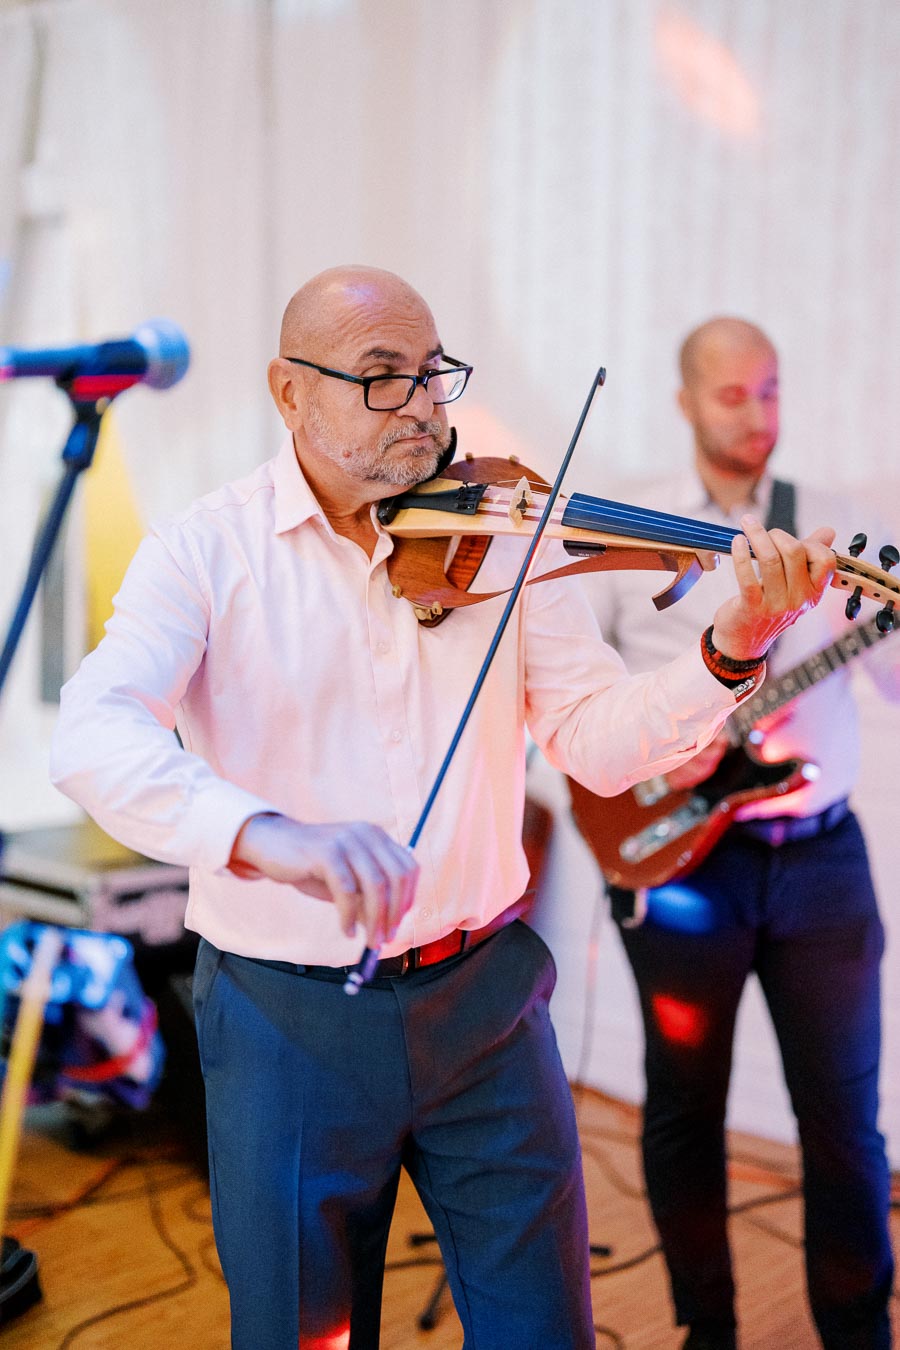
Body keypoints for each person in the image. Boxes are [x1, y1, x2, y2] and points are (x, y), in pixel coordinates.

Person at [49, 272, 836, 1350]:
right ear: (291, 393)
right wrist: (262, 834)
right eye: (381, 380)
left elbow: (599, 744)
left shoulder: (506, 529)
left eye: (432, 373)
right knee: (300, 1333)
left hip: (489, 1008)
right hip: (289, 1022)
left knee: (543, 1330)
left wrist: (731, 647)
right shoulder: (206, 551)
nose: (424, 404)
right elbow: (93, 730)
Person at [578, 316, 898, 1350]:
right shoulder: (631, 531)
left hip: (820, 859)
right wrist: (677, 746)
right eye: (732, 396)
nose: (757, 415)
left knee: (846, 1123)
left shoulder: (837, 528)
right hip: (682, 866)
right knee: (682, 1110)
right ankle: (704, 1329)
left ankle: (858, 1331)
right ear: (685, 401)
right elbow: (586, 706)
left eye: (770, 391)